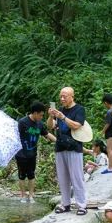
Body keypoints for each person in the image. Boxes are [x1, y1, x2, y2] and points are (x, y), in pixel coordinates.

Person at [47, 87, 87, 216]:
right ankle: (65, 204)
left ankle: (82, 205)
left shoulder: (79, 109)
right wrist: (51, 116)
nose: (62, 99)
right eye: (61, 96)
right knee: (63, 178)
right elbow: (50, 127)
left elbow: (77, 125)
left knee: (77, 177)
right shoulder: (60, 110)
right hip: (60, 147)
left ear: (72, 97)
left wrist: (63, 117)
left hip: (74, 147)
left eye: (64, 96)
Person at [16, 102, 55, 203]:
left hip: (32, 153)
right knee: (21, 175)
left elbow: (47, 134)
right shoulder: (22, 122)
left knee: (31, 175)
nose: (41, 117)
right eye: (41, 115)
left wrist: (58, 141)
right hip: (21, 154)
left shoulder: (40, 124)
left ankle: (31, 195)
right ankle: (23, 195)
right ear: (35, 113)